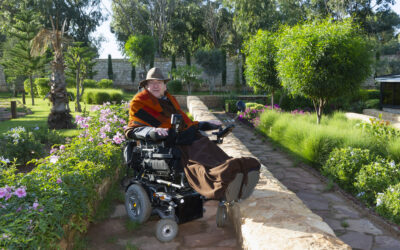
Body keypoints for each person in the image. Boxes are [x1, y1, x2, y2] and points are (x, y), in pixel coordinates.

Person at [124, 67, 260, 202]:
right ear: (146, 86)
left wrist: (204, 124)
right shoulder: (139, 102)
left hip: (184, 136)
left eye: (159, 82)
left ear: (164, 86)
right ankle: (224, 178)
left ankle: (234, 173)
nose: (155, 85)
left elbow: (185, 122)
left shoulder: (169, 100)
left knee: (206, 144)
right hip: (167, 143)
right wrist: (151, 131)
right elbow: (132, 129)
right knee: (196, 160)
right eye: (151, 83)